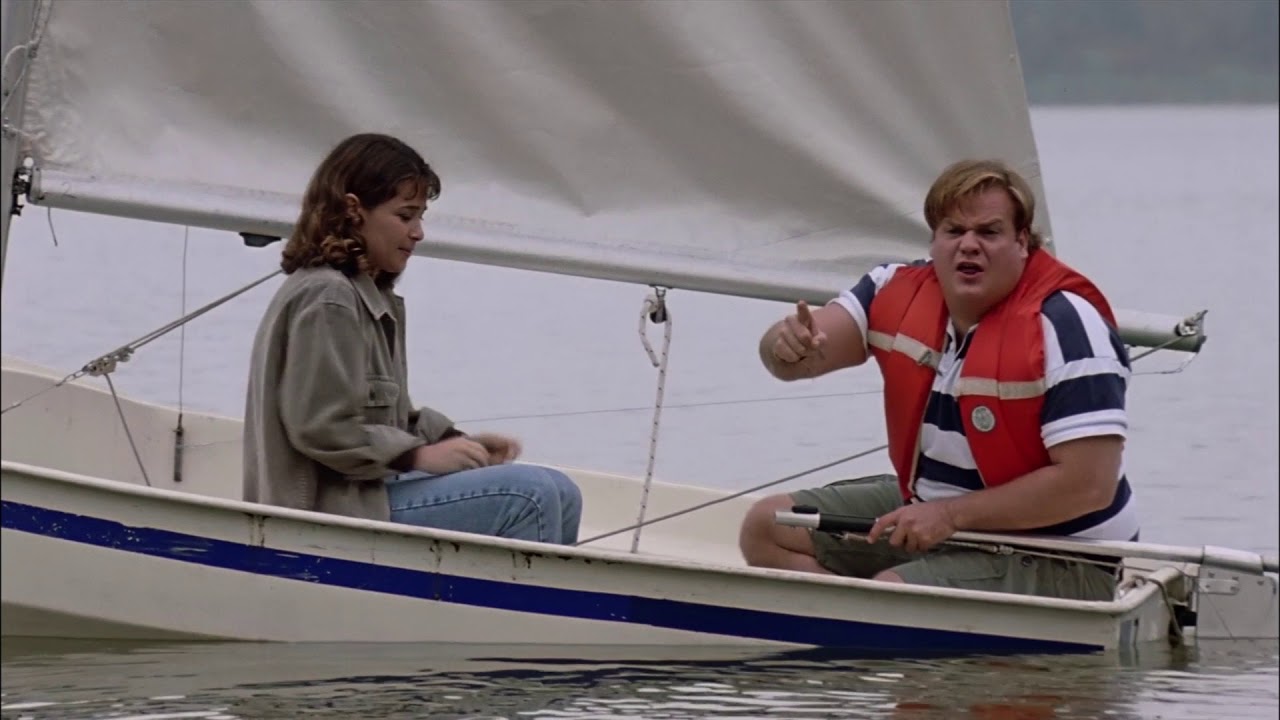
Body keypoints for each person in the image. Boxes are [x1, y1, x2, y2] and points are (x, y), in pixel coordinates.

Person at [738, 159, 1135, 600]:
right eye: (954, 231)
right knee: (766, 527)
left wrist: (950, 516)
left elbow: (1089, 486)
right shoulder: (892, 288)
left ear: (1022, 242)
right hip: (936, 508)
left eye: (989, 232)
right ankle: (852, 629)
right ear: (933, 240)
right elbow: (796, 357)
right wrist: (786, 347)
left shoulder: (1067, 326)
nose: (969, 245)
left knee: (894, 594)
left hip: (1062, 550)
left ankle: (874, 620)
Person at [242, 132, 582, 545]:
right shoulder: (328, 297)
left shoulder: (366, 295)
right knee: (530, 496)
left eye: (420, 217)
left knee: (562, 491)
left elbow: (389, 417)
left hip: (367, 491)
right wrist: (416, 455)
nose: (418, 232)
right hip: (328, 511)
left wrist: (454, 443)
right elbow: (319, 427)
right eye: (405, 216)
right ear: (353, 211)